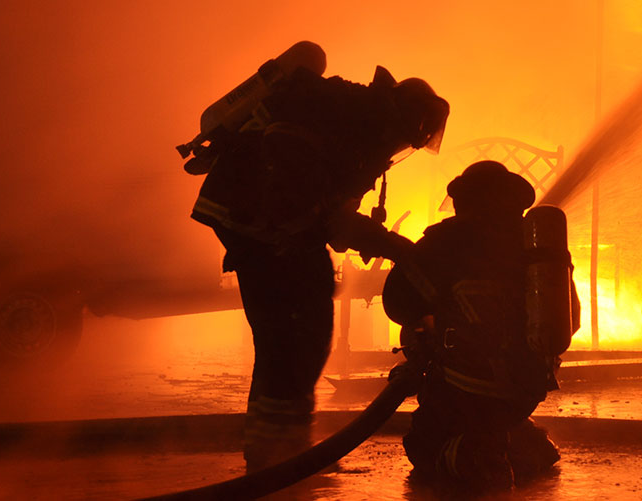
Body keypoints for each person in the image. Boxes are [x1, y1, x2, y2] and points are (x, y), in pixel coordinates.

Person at [185, 42, 449, 471]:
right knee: (289, 338)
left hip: (269, 229)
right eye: (402, 138)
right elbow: (323, 213)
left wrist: (386, 244)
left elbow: (332, 215)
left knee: (294, 337)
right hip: (261, 228)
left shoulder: (354, 126)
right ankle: (276, 454)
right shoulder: (340, 120)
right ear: (397, 118)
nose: (396, 148)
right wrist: (400, 249)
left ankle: (278, 448)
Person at [382, 161, 581, 491]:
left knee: (423, 444)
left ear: (466, 199)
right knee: (515, 436)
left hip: (462, 389)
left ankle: (476, 456)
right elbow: (569, 318)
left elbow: (398, 303)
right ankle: (511, 442)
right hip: (524, 390)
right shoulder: (539, 247)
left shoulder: (444, 241)